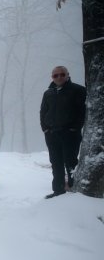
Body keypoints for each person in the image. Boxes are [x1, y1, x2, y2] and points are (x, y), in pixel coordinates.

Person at [39, 66, 86, 199]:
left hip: (70, 134)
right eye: (55, 75)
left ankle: (73, 191)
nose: (59, 77)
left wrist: (75, 128)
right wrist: (45, 129)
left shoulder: (78, 90)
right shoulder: (48, 93)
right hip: (52, 134)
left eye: (62, 74)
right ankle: (58, 191)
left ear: (67, 75)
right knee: (55, 163)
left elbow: (82, 111)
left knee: (70, 162)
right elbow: (43, 112)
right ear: (52, 77)